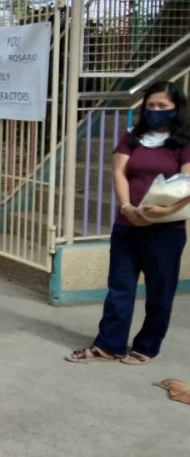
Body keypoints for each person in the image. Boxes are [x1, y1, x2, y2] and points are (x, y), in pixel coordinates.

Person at [67, 80, 190, 365]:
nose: (155, 111)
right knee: (119, 287)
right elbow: (119, 172)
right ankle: (108, 345)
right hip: (127, 223)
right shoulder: (132, 135)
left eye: (163, 106)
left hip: (166, 229)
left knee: (160, 291)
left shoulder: (183, 142)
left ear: (177, 109)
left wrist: (164, 210)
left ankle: (147, 346)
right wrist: (126, 207)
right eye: (151, 106)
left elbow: (188, 183)